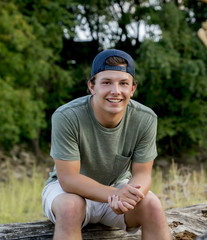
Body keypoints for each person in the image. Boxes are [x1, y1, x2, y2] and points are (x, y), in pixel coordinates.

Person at [42, 49, 172, 239]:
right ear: (92, 87)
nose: (115, 91)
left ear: (133, 89)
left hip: (117, 188)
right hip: (68, 191)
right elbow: (68, 179)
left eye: (123, 83)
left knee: (152, 205)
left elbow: (143, 174)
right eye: (107, 82)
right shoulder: (67, 116)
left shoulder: (145, 119)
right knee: (71, 208)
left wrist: (127, 198)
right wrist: (114, 194)